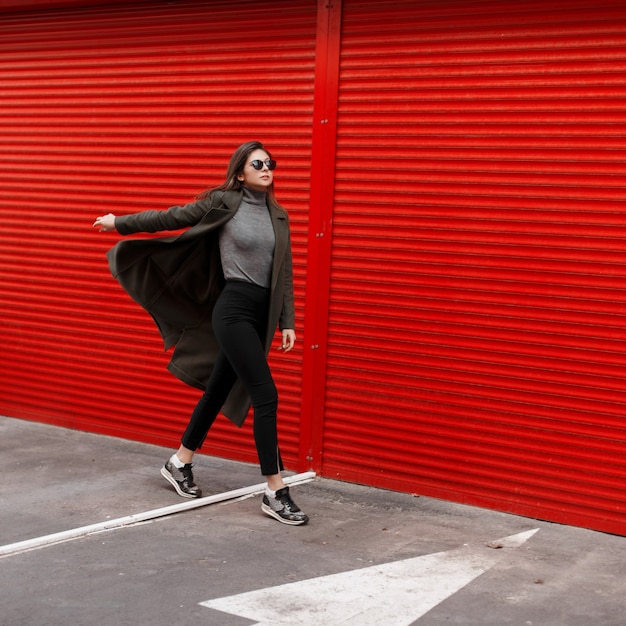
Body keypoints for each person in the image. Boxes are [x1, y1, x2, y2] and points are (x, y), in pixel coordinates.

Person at [93, 140, 308, 525]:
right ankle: (275, 490)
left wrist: (286, 320)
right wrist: (119, 222)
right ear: (240, 172)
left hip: (261, 314)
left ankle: (179, 462)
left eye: (269, 162)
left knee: (218, 389)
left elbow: (285, 270)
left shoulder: (279, 215)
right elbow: (170, 217)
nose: (265, 167)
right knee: (266, 395)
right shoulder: (223, 202)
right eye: (256, 163)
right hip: (233, 309)